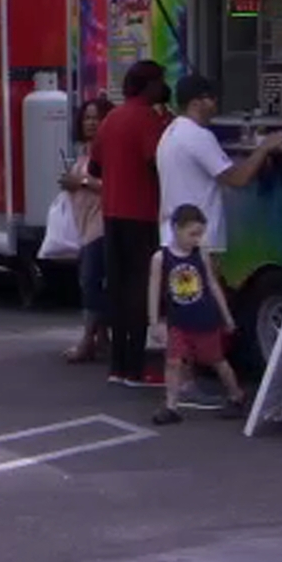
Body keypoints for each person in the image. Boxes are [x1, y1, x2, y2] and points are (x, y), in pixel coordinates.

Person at [155, 74, 282, 407]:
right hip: (197, 241)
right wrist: (265, 147)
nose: (215, 105)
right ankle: (191, 384)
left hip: (174, 237)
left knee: (184, 312)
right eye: (211, 99)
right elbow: (237, 178)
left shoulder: (171, 133)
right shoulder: (198, 137)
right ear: (198, 101)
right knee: (199, 316)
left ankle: (188, 382)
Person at [90, 60, 172, 388]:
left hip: (112, 213)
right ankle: (136, 368)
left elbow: (95, 167)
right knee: (139, 289)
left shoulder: (112, 118)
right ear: (149, 85)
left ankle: (118, 366)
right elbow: (156, 162)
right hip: (142, 213)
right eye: (160, 81)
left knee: (119, 288)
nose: (163, 87)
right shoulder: (147, 119)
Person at [146, 204, 246, 425]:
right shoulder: (161, 258)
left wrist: (226, 316)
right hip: (178, 321)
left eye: (200, 234)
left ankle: (236, 394)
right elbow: (153, 290)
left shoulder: (200, 255)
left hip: (204, 319)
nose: (196, 239)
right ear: (176, 229)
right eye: (192, 234)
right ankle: (171, 406)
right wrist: (154, 322)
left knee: (216, 360)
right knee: (173, 361)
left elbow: (212, 285)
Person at [61, 97, 113, 363]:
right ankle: (101, 337)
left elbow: (111, 186)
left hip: (101, 226)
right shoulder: (83, 153)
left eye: (97, 118)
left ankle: (87, 340)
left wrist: (80, 181)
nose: (91, 123)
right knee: (92, 283)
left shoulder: (109, 154)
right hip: (84, 228)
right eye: (87, 118)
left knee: (90, 282)